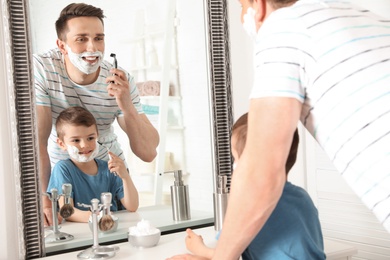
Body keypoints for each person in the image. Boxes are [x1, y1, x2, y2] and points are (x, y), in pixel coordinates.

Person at [172, 0, 390, 259]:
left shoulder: (283, 27)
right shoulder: (351, 16)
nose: (243, 18)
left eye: (242, 6)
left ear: (259, 5)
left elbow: (260, 172)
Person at [33, 3, 159, 226]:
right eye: (81, 39)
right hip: (64, 175)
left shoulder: (120, 78)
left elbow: (148, 152)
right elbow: (37, 142)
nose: (93, 48)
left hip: (109, 174)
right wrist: (44, 200)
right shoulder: (43, 69)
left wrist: (126, 103)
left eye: (99, 38)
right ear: (62, 45)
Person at [170, 113, 325, 259]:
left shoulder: (251, 205)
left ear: (251, 165)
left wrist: (198, 248)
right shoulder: (302, 197)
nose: (234, 167)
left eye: (236, 159)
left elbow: (226, 255)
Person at [47, 106, 139, 223]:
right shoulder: (63, 169)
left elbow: (132, 206)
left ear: (97, 136)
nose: (85, 145)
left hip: (111, 231)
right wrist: (98, 217)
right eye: (76, 140)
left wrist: (125, 176)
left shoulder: (108, 168)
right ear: (62, 144)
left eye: (90, 138)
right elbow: (67, 212)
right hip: (82, 233)